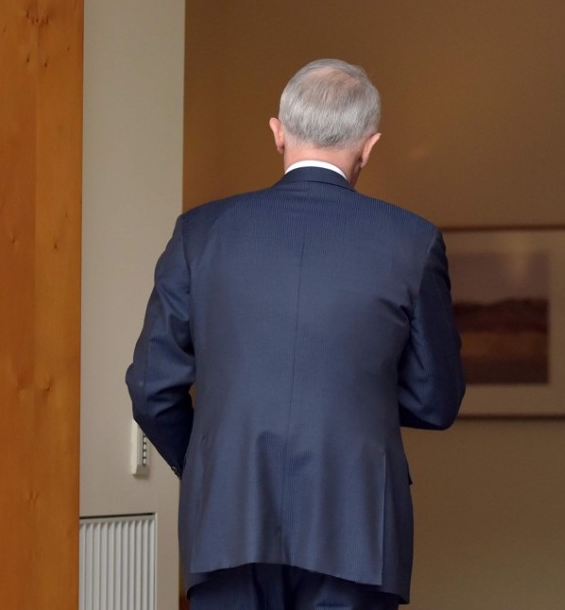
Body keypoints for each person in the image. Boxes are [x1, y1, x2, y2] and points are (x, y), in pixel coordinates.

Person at [126, 58, 465, 609]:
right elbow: (437, 401)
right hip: (356, 523)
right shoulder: (412, 240)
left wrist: (213, 466)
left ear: (277, 133)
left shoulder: (201, 232)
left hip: (226, 519)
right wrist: (358, 391)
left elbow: (150, 388)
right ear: (369, 146)